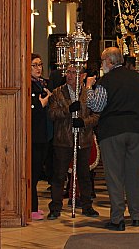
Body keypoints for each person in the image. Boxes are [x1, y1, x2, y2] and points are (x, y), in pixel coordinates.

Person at [86, 47, 139, 231]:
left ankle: (118, 219)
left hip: (113, 131)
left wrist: (89, 88)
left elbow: (97, 105)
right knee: (136, 174)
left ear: (109, 61)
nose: (101, 65)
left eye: (102, 61)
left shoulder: (106, 81)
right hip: (137, 131)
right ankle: (138, 215)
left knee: (115, 176)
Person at [46, 64, 99, 220]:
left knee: (84, 175)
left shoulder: (88, 94)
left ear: (82, 76)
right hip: (63, 140)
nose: (69, 75)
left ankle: (87, 205)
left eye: (74, 73)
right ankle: (55, 207)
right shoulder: (58, 92)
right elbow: (52, 114)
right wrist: (68, 110)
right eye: (68, 72)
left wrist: (84, 122)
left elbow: (96, 115)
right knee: (59, 175)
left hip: (83, 139)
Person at [30, 54, 52, 220]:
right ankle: (31, 207)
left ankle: (34, 207)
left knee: (38, 171)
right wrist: (41, 104)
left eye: (40, 64)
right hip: (34, 135)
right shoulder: (29, 85)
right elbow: (30, 109)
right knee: (33, 172)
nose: (38, 68)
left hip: (44, 135)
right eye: (34, 65)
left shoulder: (43, 84)